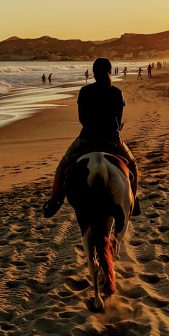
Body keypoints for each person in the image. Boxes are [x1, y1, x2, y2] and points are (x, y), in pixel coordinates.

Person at [44, 57, 139, 218]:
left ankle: (54, 202)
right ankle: (134, 201)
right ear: (110, 71)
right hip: (112, 139)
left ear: (94, 73)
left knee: (62, 166)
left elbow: (82, 119)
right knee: (133, 166)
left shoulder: (85, 91)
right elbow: (118, 119)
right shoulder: (117, 92)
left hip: (87, 138)